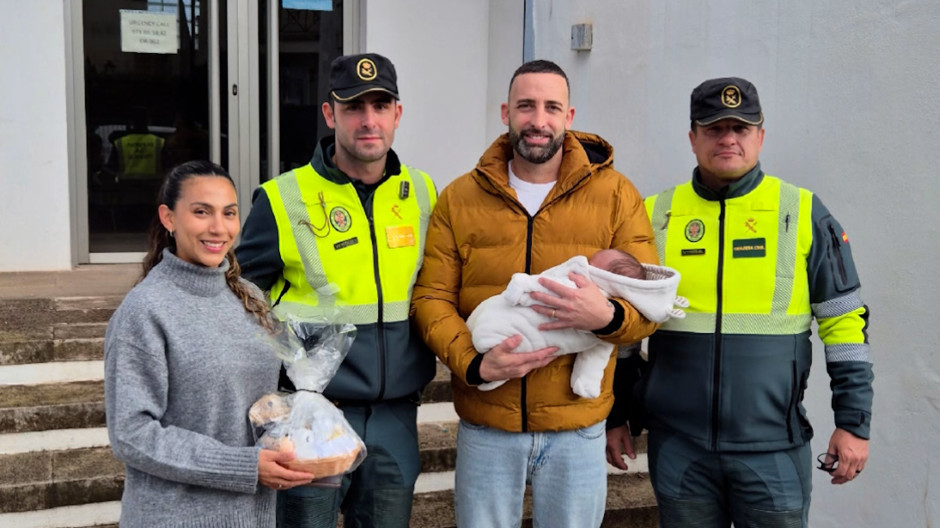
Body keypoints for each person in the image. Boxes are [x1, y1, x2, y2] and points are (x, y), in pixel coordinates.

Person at [606, 77, 874, 527]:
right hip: (679, 448)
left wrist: (854, 422)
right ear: (692, 138)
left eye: (741, 128)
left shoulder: (803, 211)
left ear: (760, 136)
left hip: (772, 450)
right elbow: (625, 334)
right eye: (713, 128)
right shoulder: (653, 215)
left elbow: (845, 325)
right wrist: (616, 414)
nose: (728, 138)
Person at [411, 59, 659, 528]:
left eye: (551, 107)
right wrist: (474, 363)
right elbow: (430, 298)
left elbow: (647, 300)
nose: (538, 120)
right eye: (526, 106)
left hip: (578, 429)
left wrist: (606, 316)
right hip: (487, 425)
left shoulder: (616, 195)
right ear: (506, 111)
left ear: (569, 115)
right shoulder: (460, 198)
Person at [236, 53, 437, 528]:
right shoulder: (283, 197)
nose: (368, 120)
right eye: (353, 107)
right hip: (310, 419)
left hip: (394, 418)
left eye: (380, 106)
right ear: (330, 114)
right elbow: (239, 302)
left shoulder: (424, 194)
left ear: (397, 114)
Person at [104, 160, 315, 528]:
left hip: (250, 515)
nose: (219, 227)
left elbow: (253, 400)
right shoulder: (145, 311)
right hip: (176, 518)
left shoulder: (248, 297)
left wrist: (303, 422)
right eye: (201, 212)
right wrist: (243, 466)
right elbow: (132, 434)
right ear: (169, 218)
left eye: (229, 213)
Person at [468, 249, 686, 398]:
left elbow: (539, 287)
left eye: (594, 263)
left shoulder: (580, 288)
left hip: (575, 419)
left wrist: (609, 319)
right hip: (491, 399)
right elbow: (597, 353)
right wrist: (474, 367)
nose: (588, 263)